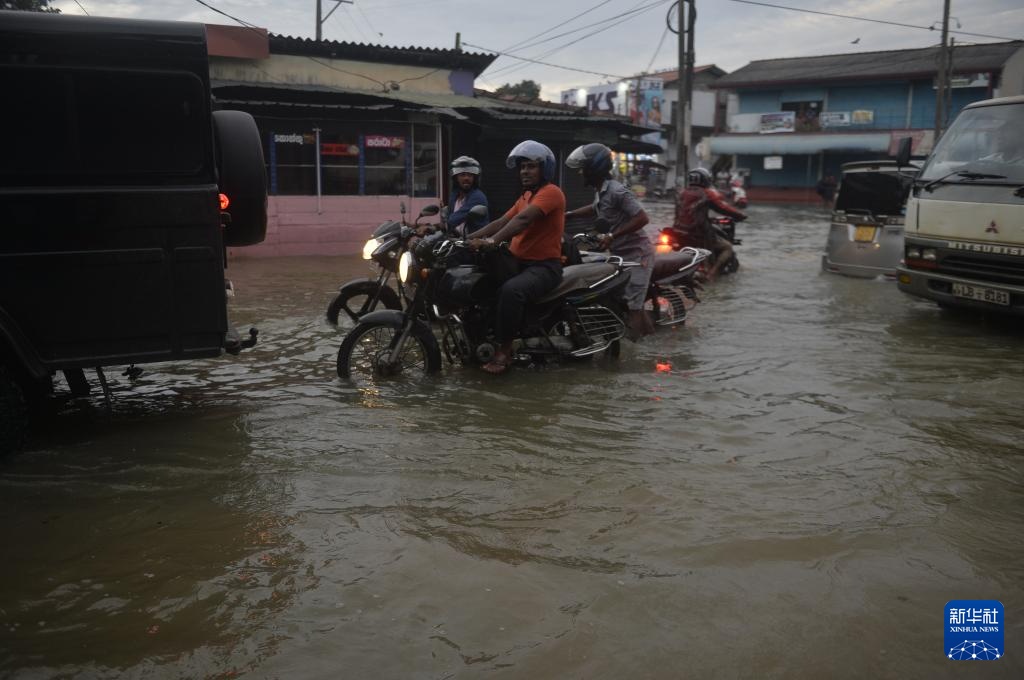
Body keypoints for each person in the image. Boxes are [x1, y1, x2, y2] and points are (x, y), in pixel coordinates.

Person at [466, 140, 565, 375]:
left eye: (531, 166)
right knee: (479, 283)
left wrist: (492, 241)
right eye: (522, 167)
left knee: (512, 291)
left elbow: (522, 221)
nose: (525, 172)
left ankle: (505, 349)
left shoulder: (551, 193)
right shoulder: (525, 197)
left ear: (545, 169)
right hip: (517, 263)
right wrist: (466, 238)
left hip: (544, 267)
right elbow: (501, 221)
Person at [565, 143, 654, 339]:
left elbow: (642, 218)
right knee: (627, 304)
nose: (580, 173)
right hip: (620, 253)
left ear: (593, 168)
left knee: (633, 307)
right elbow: (595, 208)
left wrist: (612, 236)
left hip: (638, 254)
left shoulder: (617, 191)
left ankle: (637, 359)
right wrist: (569, 215)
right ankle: (650, 342)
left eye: (583, 169)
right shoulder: (602, 190)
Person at [673, 167, 747, 282]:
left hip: (678, 232)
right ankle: (712, 275)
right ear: (706, 180)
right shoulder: (707, 193)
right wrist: (740, 215)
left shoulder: (682, 193)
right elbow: (723, 207)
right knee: (727, 247)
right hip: (698, 233)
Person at [446, 156, 489, 235]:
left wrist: (440, 223)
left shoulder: (477, 197)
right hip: (457, 240)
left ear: (474, 178)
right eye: (462, 175)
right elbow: (449, 219)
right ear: (456, 178)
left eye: (470, 175)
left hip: (475, 242)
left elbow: (453, 220)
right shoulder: (454, 196)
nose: (466, 178)